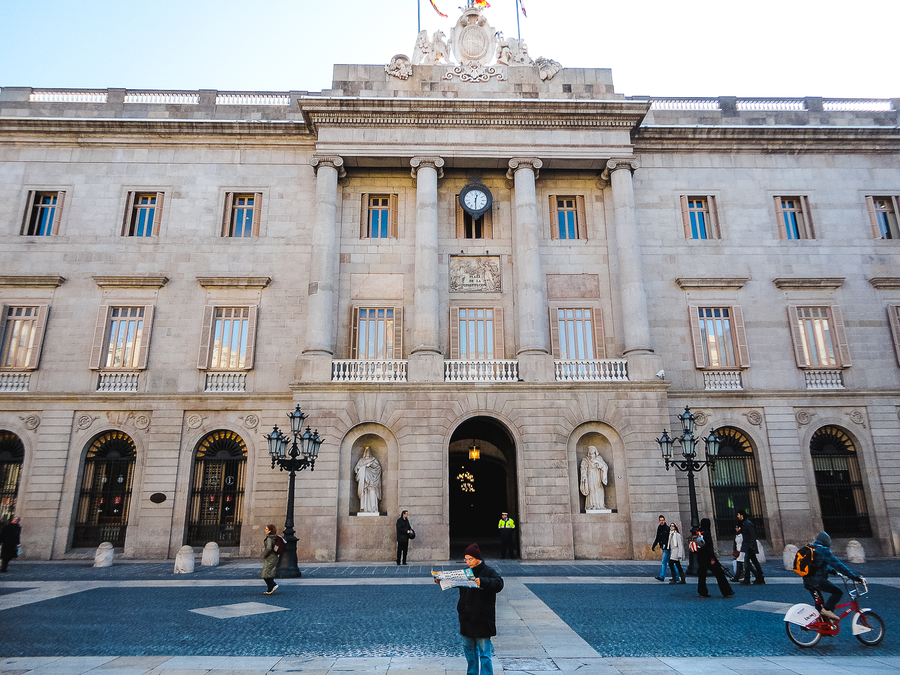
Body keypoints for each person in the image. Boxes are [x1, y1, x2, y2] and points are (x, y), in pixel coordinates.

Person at [455, 543, 504, 675]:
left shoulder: (489, 572)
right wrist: (441, 581)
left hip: (482, 619)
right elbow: (453, 581)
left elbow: (499, 584)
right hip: (466, 618)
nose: (468, 562)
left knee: (484, 654)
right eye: (466, 559)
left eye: (470, 559)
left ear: (477, 558)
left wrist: (482, 581)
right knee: (470, 653)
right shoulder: (465, 572)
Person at [804, 531, 863, 621]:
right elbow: (838, 565)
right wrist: (854, 577)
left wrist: (831, 571)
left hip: (807, 580)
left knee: (820, 603)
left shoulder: (811, 548)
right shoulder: (823, 550)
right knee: (838, 592)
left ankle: (824, 625)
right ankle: (827, 610)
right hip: (818, 581)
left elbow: (816, 565)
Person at [695, 517, 734, 598]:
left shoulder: (699, 533)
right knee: (719, 574)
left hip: (700, 558)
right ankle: (726, 591)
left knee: (702, 575)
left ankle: (702, 591)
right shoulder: (707, 533)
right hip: (708, 558)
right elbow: (710, 547)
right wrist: (712, 558)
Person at [736, 510, 764, 585]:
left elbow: (752, 535)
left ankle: (748, 579)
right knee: (754, 562)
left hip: (749, 546)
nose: (737, 516)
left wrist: (751, 546)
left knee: (747, 562)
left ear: (742, 515)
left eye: (738, 515)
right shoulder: (744, 523)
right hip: (747, 545)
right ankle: (759, 577)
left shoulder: (748, 523)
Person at [579, 446, 608, 511]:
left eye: (593, 451)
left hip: (597, 476)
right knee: (591, 490)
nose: (591, 452)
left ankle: (600, 505)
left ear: (595, 451)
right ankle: (592, 505)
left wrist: (599, 464)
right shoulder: (586, 459)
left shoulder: (599, 458)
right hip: (590, 477)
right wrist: (583, 476)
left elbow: (605, 466)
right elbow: (583, 468)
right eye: (590, 451)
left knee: (599, 489)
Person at [354, 447, 383, 514]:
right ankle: (364, 509)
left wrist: (370, 465)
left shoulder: (373, 460)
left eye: (369, 452)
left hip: (372, 481)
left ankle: (373, 509)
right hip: (364, 483)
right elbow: (356, 469)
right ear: (365, 452)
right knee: (365, 494)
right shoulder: (361, 461)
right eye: (367, 451)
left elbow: (378, 468)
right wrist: (363, 468)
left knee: (372, 493)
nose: (368, 453)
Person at [260, 524, 280, 595]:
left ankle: (273, 585)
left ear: (270, 530)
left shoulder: (269, 538)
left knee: (265, 573)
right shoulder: (275, 537)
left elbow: (268, 548)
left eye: (266, 529)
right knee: (269, 573)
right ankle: (270, 589)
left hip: (270, 557)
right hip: (274, 557)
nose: (265, 530)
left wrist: (265, 555)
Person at [650, 515, 669, 581]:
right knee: (670, 562)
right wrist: (654, 545)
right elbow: (657, 537)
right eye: (660, 520)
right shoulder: (659, 528)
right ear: (659, 521)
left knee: (664, 562)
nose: (661, 521)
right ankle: (677, 575)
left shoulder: (667, 528)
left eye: (662, 520)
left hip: (667, 547)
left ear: (664, 520)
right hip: (663, 547)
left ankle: (662, 576)